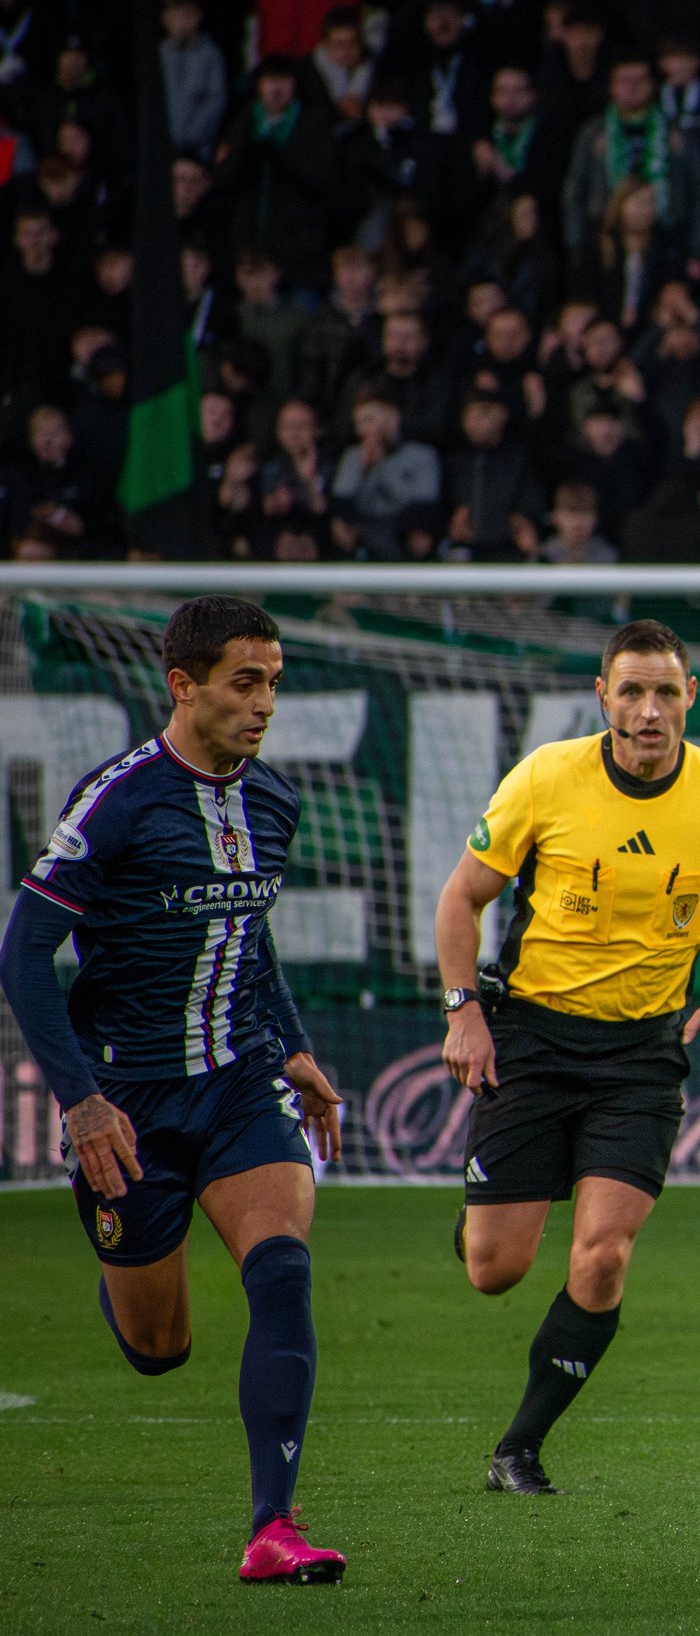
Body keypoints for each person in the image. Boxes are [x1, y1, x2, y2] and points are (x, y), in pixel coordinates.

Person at [0, 598, 346, 1582]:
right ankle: (131, 1271)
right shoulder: (116, 799)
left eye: (274, 679)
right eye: (245, 679)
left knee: (281, 1266)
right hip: (128, 1105)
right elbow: (24, 952)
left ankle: (273, 1526)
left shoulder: (273, 800)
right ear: (182, 683)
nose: (264, 700)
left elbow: (252, 936)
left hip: (239, 1086)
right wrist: (80, 1099)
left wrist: (295, 1047)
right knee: (161, 1347)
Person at [436, 621, 700, 1494]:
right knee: (496, 1269)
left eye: (665, 693)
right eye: (631, 692)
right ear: (603, 696)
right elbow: (463, 897)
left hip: (642, 1051)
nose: (649, 711)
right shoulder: (546, 776)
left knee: (601, 1256)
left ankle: (518, 1447)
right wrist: (463, 1010)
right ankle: (494, 1208)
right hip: (531, 1035)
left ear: (691, 697)